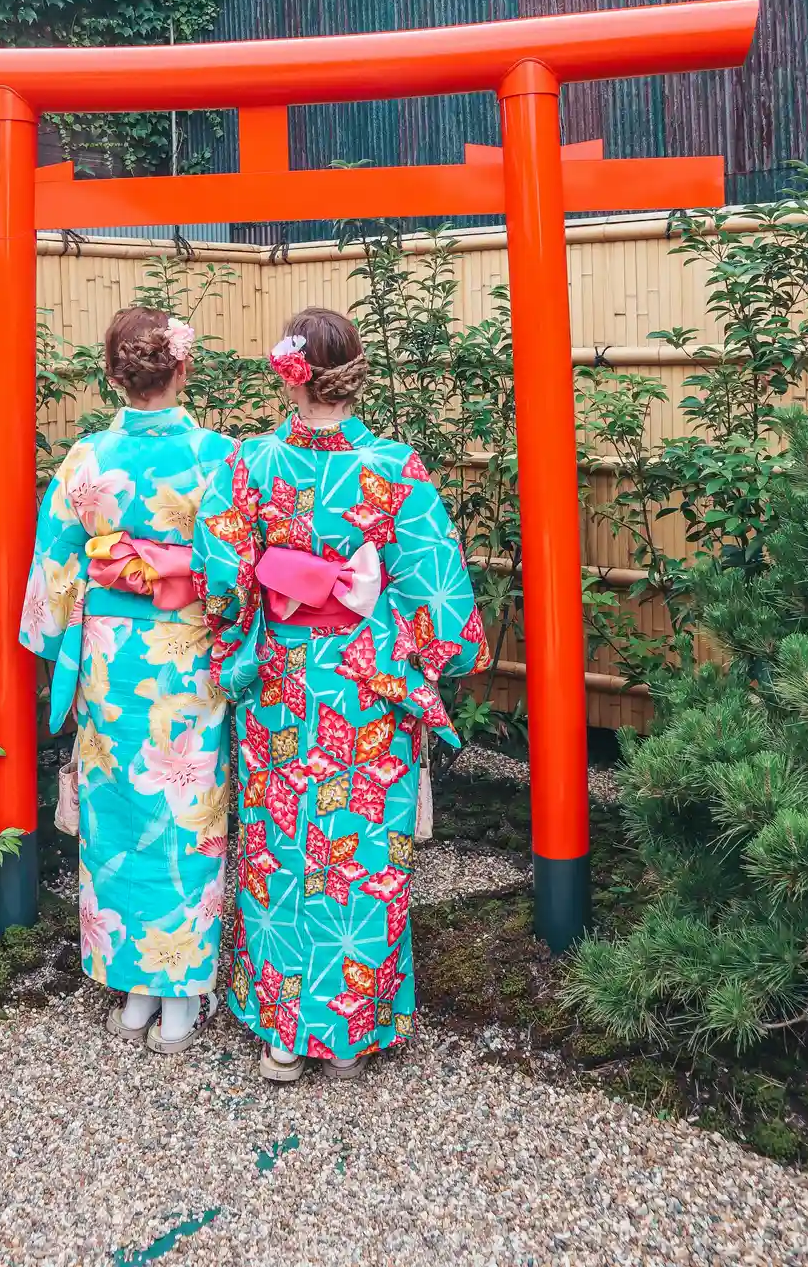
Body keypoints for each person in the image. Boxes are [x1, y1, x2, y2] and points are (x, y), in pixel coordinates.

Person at [193, 307, 489, 1082]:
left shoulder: (248, 463)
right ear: (354, 370)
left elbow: (223, 579)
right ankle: (353, 1031)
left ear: (290, 375)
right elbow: (434, 582)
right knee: (360, 855)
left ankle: (285, 1035)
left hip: (283, 683)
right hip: (366, 681)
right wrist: (430, 652)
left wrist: (238, 640)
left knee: (281, 849)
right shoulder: (395, 467)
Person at [20, 306, 234, 1053]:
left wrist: (57, 642)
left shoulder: (86, 460)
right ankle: (180, 1001)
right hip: (189, 652)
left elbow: (58, 568)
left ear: (113, 373)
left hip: (111, 659)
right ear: (182, 367)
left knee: (120, 815)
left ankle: (136, 991)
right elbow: (235, 571)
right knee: (187, 812)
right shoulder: (219, 457)